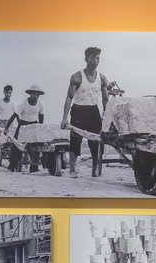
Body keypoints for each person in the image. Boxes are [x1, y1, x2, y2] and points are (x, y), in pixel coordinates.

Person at [62, 46, 110, 178]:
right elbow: (69, 98)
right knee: (75, 141)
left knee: (96, 142)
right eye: (92, 58)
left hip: (93, 111)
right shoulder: (76, 77)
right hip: (78, 111)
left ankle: (95, 170)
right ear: (86, 59)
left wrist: (107, 117)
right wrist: (65, 118)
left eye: (97, 58)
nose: (95, 61)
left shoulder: (102, 78)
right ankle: (72, 170)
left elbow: (105, 100)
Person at [7, 85, 46, 172]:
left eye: (37, 95)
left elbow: (41, 117)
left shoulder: (40, 104)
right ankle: (12, 165)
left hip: (34, 125)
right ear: (30, 94)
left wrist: (40, 128)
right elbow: (14, 115)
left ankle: (34, 167)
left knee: (36, 145)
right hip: (23, 124)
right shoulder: (23, 103)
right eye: (34, 94)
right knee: (16, 144)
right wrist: (6, 127)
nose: (36, 97)